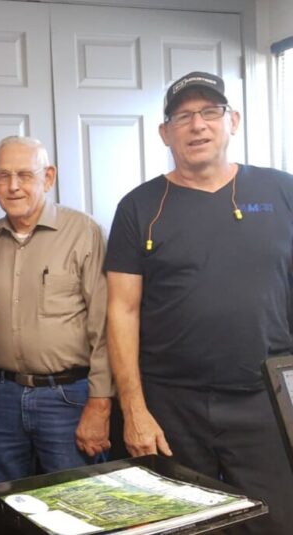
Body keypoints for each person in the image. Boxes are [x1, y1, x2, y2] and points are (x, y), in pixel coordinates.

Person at [105, 71, 293, 534]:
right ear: (165, 132)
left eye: (210, 112)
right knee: (183, 524)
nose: (198, 125)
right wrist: (134, 409)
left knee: (277, 521)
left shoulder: (283, 191)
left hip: (265, 400)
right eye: (183, 116)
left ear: (234, 121)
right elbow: (122, 311)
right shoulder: (139, 207)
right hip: (173, 405)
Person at [0, 136, 112, 503]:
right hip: (0, 397)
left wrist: (100, 402)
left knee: (82, 506)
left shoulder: (84, 232)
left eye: (24, 175)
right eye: (3, 176)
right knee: (4, 507)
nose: (13, 186)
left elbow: (105, 327)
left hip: (67, 398)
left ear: (48, 178)